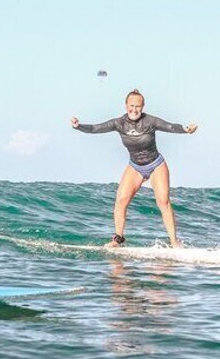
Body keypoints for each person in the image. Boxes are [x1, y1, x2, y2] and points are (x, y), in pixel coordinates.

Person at [71, 89, 197, 248]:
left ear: (142, 106)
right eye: (131, 105)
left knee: (163, 201)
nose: (134, 109)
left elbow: (170, 126)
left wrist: (185, 129)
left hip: (156, 164)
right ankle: (118, 240)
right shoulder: (119, 123)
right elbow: (96, 128)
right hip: (135, 166)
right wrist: (78, 126)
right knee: (121, 201)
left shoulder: (150, 121)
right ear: (125, 105)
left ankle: (174, 242)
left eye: (138, 106)